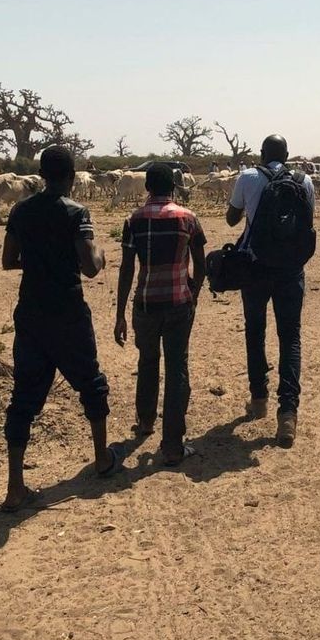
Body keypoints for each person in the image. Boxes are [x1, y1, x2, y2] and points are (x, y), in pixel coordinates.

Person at [0, 146, 118, 512]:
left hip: (31, 312)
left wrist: (38, 261)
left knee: (23, 399)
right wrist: (99, 253)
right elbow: (90, 266)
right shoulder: (76, 212)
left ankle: (15, 487)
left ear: (42, 174)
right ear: (70, 177)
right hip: (67, 311)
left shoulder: (20, 210)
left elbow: (8, 260)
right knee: (91, 383)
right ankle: (101, 458)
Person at [226, 134, 316, 448]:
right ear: (288, 154)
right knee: (290, 336)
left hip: (255, 266)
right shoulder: (305, 181)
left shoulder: (248, 177)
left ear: (262, 154)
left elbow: (231, 219)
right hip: (291, 269)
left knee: (255, 330)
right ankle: (288, 412)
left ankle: (259, 397)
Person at [114, 163, 207, 465]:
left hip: (145, 303)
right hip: (179, 303)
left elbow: (127, 268)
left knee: (147, 361)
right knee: (177, 367)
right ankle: (172, 445)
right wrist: (194, 292)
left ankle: (145, 421)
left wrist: (120, 313)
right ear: (174, 187)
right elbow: (201, 262)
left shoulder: (134, 219)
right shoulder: (188, 218)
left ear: (147, 188)